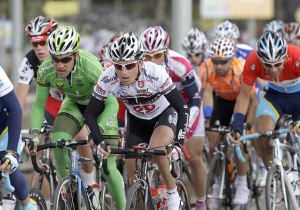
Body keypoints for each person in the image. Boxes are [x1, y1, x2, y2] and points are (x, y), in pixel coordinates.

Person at [84, 32, 189, 210]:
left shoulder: (155, 73)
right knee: (133, 174)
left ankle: (172, 195)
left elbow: (182, 107)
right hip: (137, 120)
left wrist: (179, 143)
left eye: (129, 65)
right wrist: (100, 142)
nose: (123, 72)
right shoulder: (108, 77)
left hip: (163, 115)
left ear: (140, 62)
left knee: (156, 151)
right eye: (119, 66)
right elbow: (90, 113)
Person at [30, 26, 126, 210]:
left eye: (65, 59)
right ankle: (69, 188)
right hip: (74, 104)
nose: (59, 65)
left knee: (107, 167)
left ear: (76, 55)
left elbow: (112, 104)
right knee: (58, 141)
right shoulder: (45, 69)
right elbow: (39, 104)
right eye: (55, 59)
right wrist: (34, 135)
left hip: (101, 107)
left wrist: (94, 131)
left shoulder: (90, 67)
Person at [140, 26, 206, 210]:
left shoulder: (179, 64)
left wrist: (184, 131)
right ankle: (159, 186)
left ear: (166, 52)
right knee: (153, 150)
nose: (152, 61)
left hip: (188, 105)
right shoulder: (139, 68)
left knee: (193, 156)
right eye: (147, 56)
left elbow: (194, 99)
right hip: (163, 107)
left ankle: (201, 202)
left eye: (157, 55)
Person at [198, 37, 256, 207]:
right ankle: (217, 182)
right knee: (213, 141)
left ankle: (242, 183)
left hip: (241, 101)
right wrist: (209, 118)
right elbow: (207, 92)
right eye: (215, 61)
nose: (219, 66)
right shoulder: (207, 68)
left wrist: (248, 125)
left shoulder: (241, 69)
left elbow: (253, 100)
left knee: (237, 141)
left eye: (223, 62)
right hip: (222, 100)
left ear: (231, 59)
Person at [231, 31, 300, 169]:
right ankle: (273, 177)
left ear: (285, 57)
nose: (273, 70)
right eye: (268, 65)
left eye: (278, 64)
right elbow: (244, 96)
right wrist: (237, 125)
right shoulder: (252, 62)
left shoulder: (296, 56)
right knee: (263, 135)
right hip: (274, 96)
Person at [0, 66, 37, 210]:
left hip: (3, 126)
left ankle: (27, 205)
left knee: (10, 167)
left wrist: (11, 152)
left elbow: (14, 108)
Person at [16, 16, 63, 124]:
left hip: (75, 100)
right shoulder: (29, 60)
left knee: (83, 138)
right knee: (42, 133)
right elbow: (19, 104)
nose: (39, 48)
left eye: (43, 42)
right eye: (35, 44)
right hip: (52, 101)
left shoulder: (65, 56)